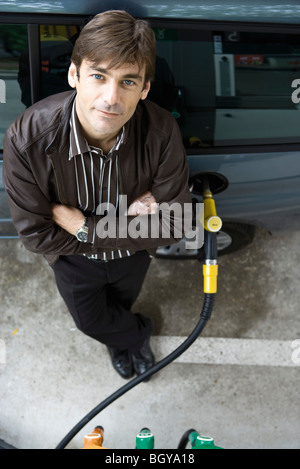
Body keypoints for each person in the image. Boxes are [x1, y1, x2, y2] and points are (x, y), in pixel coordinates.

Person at [3, 10, 192, 381]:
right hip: (74, 261)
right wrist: (133, 222)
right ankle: (135, 336)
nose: (111, 98)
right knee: (90, 320)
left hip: (132, 255)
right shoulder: (27, 139)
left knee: (122, 303)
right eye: (98, 76)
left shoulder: (160, 130)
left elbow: (176, 223)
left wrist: (87, 228)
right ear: (74, 75)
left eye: (128, 82)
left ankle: (121, 338)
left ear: (145, 89)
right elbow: (36, 234)